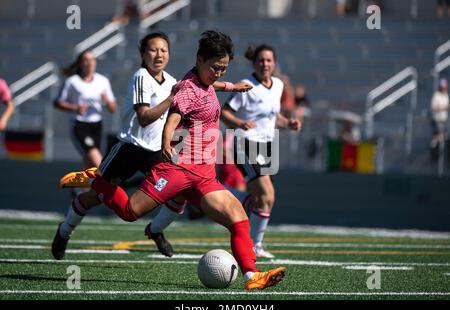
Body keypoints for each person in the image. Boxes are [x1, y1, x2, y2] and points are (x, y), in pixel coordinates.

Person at [58, 30, 286, 290]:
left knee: (238, 218)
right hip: (177, 169)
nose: (219, 73)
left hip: (203, 174)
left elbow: (212, 86)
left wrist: (232, 86)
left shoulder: (205, 81)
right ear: (200, 60)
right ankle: (94, 180)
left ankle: (251, 276)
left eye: (224, 69)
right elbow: (174, 118)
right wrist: (167, 141)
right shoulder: (187, 88)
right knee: (131, 212)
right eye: (215, 68)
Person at [221, 43, 301, 259]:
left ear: (274, 63)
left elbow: (273, 116)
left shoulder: (277, 85)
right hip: (244, 144)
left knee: (260, 200)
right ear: (254, 63)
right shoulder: (246, 85)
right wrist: (239, 123)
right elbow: (224, 113)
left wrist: (288, 123)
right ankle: (254, 246)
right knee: (267, 195)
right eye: (261, 60)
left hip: (266, 145)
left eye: (268, 60)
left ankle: (220, 191)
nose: (265, 64)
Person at [54, 50, 117, 171]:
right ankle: (110, 181)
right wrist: (75, 108)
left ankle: (82, 189)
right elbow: (57, 102)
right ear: (80, 64)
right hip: (80, 125)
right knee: (95, 157)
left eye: (92, 59)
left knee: (90, 163)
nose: (90, 63)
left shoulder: (103, 81)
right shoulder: (72, 81)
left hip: (97, 125)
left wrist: (107, 101)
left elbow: (113, 108)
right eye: (86, 60)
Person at [430, 78, 449, 150]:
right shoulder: (436, 95)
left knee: (443, 136)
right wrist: (443, 108)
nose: (444, 89)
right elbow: (434, 108)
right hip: (437, 120)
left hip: (444, 120)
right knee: (439, 135)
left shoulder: (446, 95)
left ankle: (435, 143)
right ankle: (434, 145)